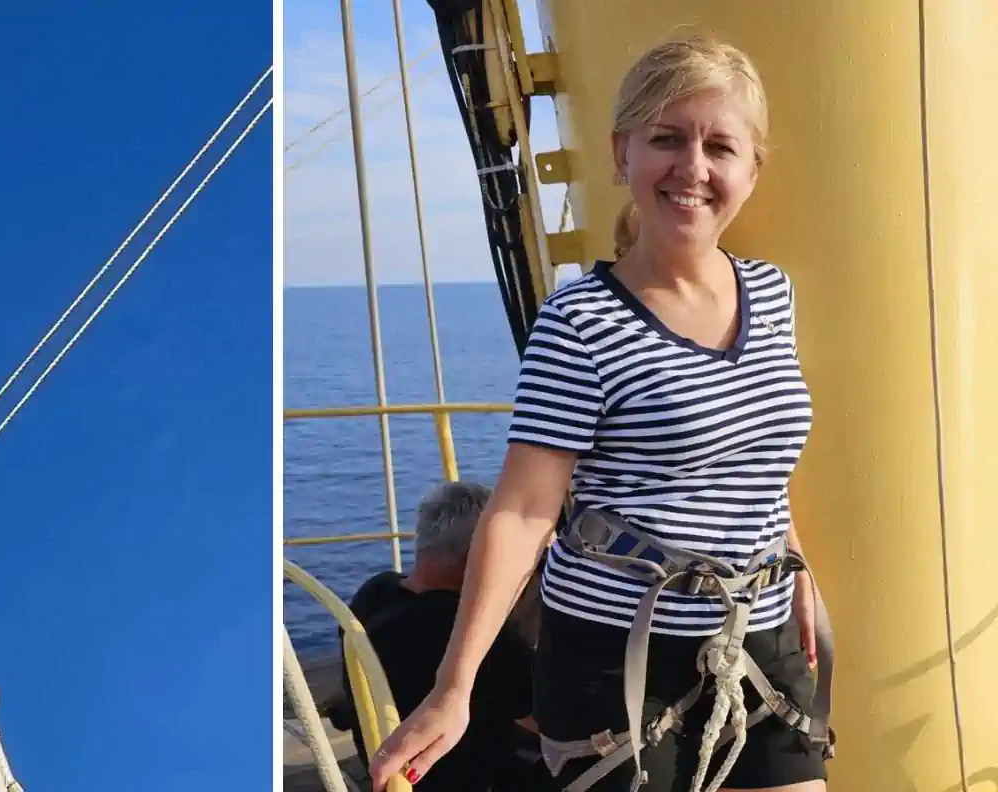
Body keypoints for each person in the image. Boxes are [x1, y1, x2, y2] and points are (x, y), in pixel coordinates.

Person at [366, 34, 834, 792]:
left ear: (752, 170)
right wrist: (454, 688)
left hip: (762, 636)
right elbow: (521, 511)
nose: (693, 166)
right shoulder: (580, 320)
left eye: (720, 145)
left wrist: (798, 568)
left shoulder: (772, 294)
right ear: (622, 156)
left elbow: (761, 456)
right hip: (617, 656)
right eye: (665, 139)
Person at [327, 481, 550, 791]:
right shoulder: (469, 637)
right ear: (483, 556)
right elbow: (554, 722)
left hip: (388, 765)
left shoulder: (374, 593)